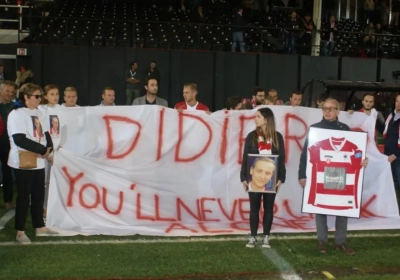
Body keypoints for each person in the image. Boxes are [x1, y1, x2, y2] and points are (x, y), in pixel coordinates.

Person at [298, 98, 368, 255]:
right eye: (325, 108)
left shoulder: (344, 129)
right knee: (320, 208)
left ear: (338, 111)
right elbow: (305, 155)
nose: (327, 111)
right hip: (321, 176)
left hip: (342, 176)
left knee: (343, 210)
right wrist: (302, 175)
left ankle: (340, 242)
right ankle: (322, 241)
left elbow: (355, 153)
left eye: (331, 109)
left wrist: (362, 160)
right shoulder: (315, 129)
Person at [7, 83, 58, 244]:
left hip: (39, 160)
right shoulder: (16, 114)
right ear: (26, 97)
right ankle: (20, 231)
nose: (39, 99)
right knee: (24, 196)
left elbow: (46, 133)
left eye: (39, 96)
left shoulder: (39, 112)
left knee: (38, 195)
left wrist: (48, 149)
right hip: (23, 160)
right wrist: (43, 150)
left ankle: (39, 226)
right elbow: (19, 139)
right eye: (36, 96)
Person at [240, 107, 286, 248]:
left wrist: (280, 178)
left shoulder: (277, 137)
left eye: (258, 116)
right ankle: (253, 236)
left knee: (268, 208)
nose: (255, 119)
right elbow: (246, 159)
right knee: (254, 208)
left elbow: (281, 158)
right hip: (253, 179)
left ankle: (266, 236)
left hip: (271, 179)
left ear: (266, 120)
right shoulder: (251, 136)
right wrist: (243, 177)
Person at [38, 85, 66, 219]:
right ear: (45, 96)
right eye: (52, 94)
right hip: (44, 152)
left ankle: (54, 206)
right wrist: (47, 151)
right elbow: (40, 131)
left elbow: (65, 129)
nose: (55, 97)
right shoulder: (41, 110)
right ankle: (43, 207)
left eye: (57, 94)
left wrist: (61, 146)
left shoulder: (62, 109)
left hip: (57, 152)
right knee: (44, 181)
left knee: (55, 180)